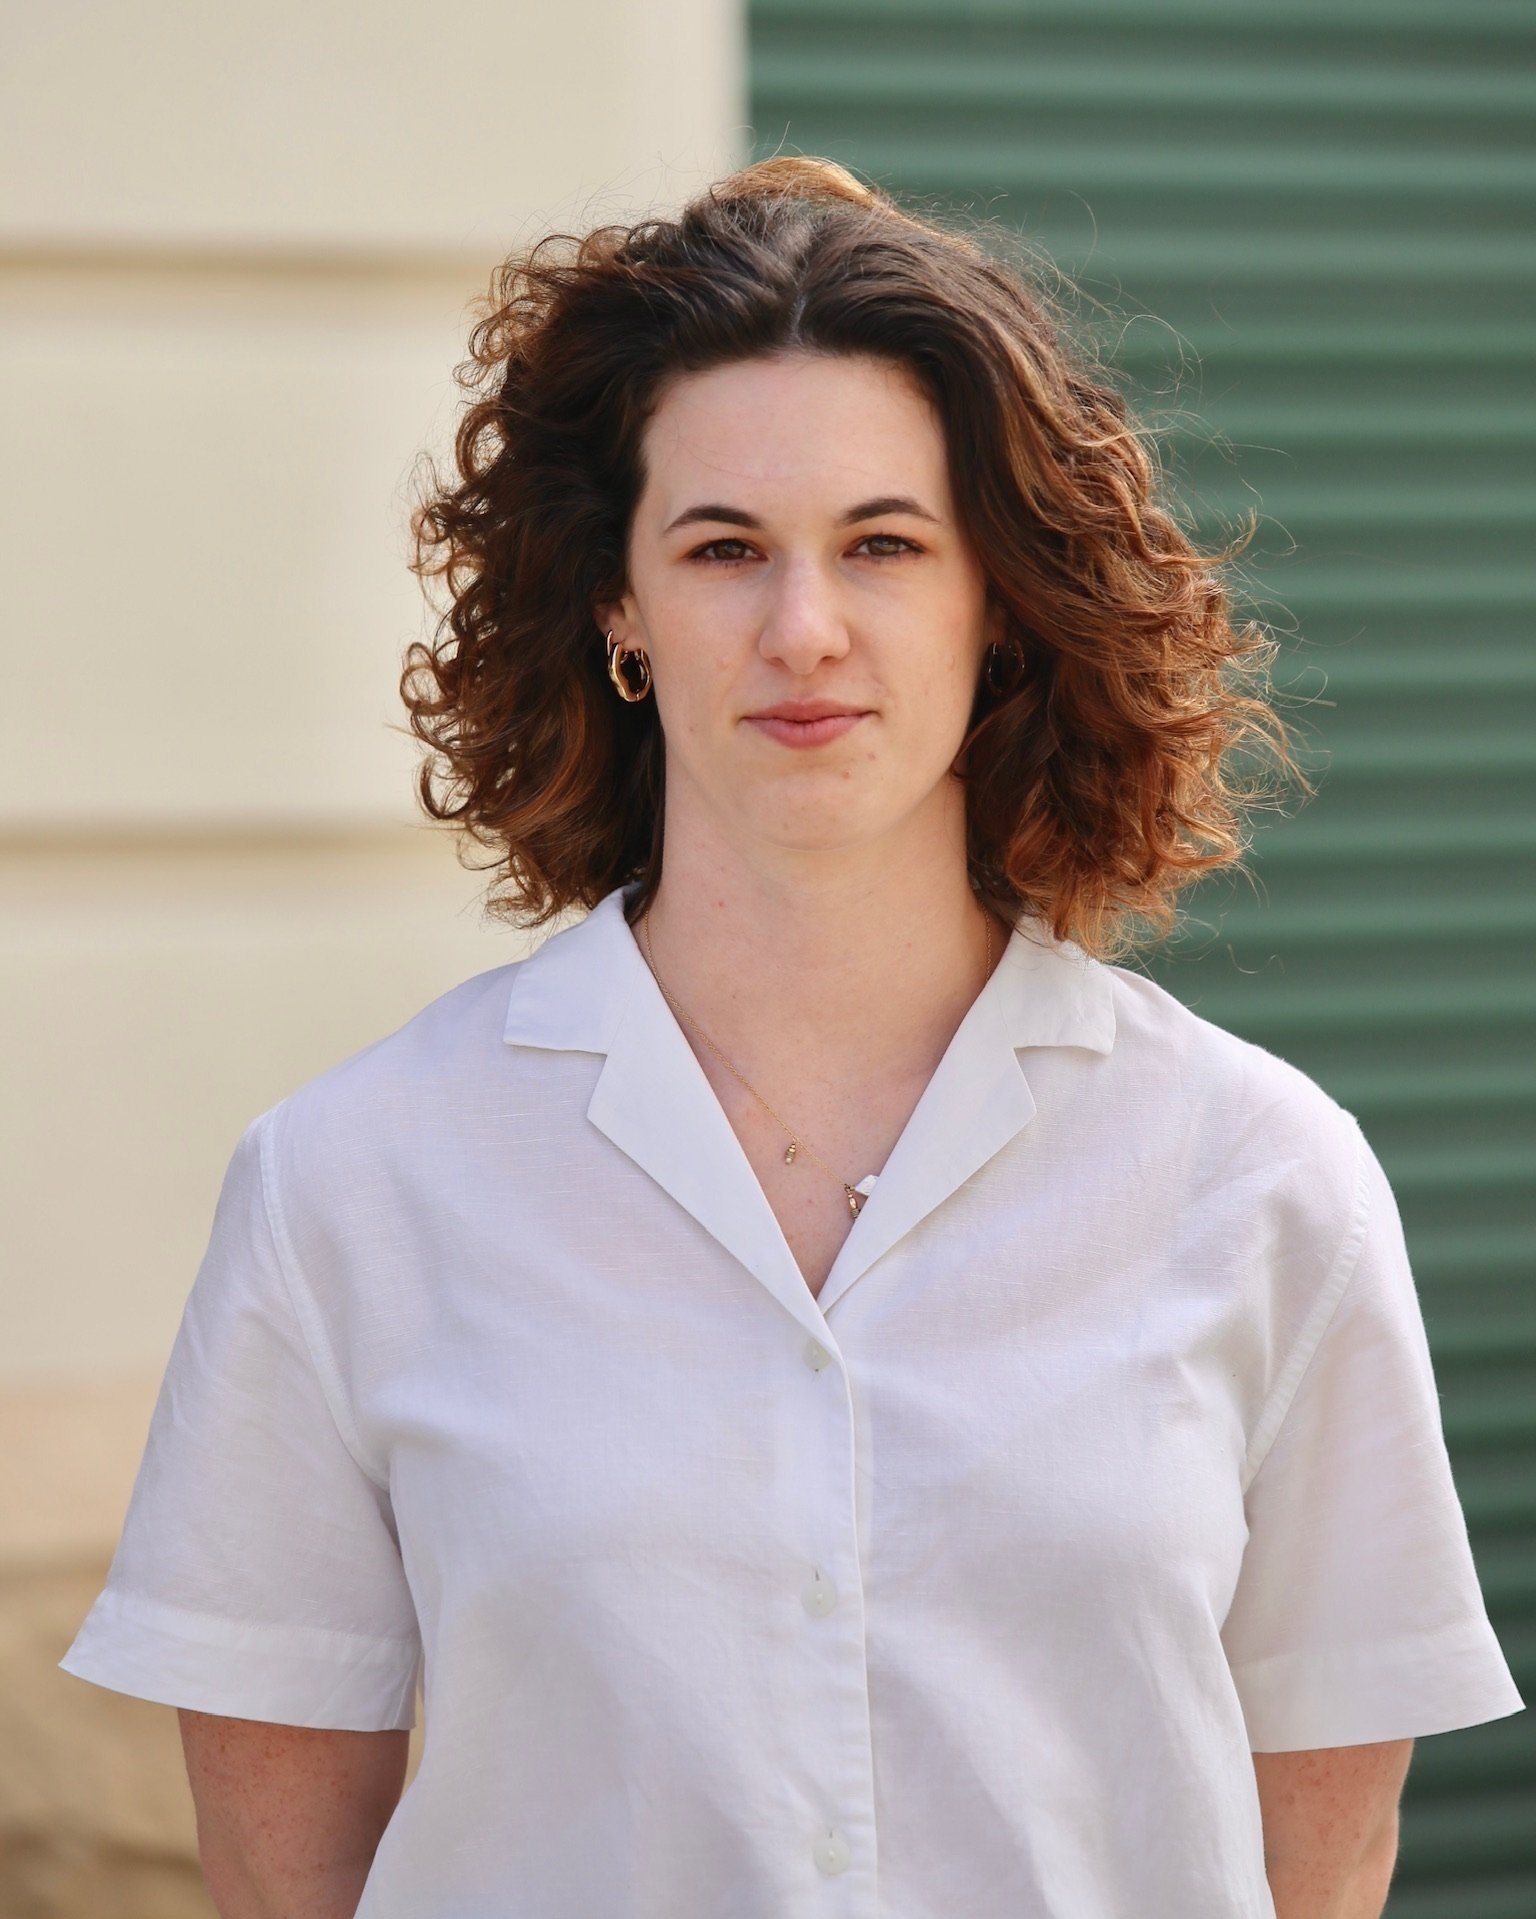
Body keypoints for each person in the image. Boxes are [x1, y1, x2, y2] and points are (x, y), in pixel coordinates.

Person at [60, 156, 1523, 1918]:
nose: (802, 630)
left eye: (885, 545)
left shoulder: (1260, 1173)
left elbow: (1325, 1844)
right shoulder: (350, 1185)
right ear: (618, 604)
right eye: (723, 548)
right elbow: (282, 1875)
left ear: (997, 605)